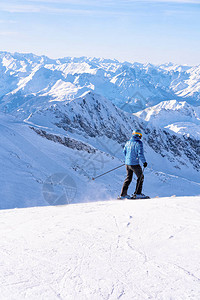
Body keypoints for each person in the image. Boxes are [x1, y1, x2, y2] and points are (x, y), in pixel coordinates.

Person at [119, 129, 149, 199]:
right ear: (138, 135)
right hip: (134, 164)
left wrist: (128, 159)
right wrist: (144, 162)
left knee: (128, 178)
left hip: (127, 164)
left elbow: (124, 152)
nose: (141, 137)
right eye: (140, 135)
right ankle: (137, 194)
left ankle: (123, 195)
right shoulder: (139, 143)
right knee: (140, 177)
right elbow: (140, 154)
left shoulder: (127, 142)